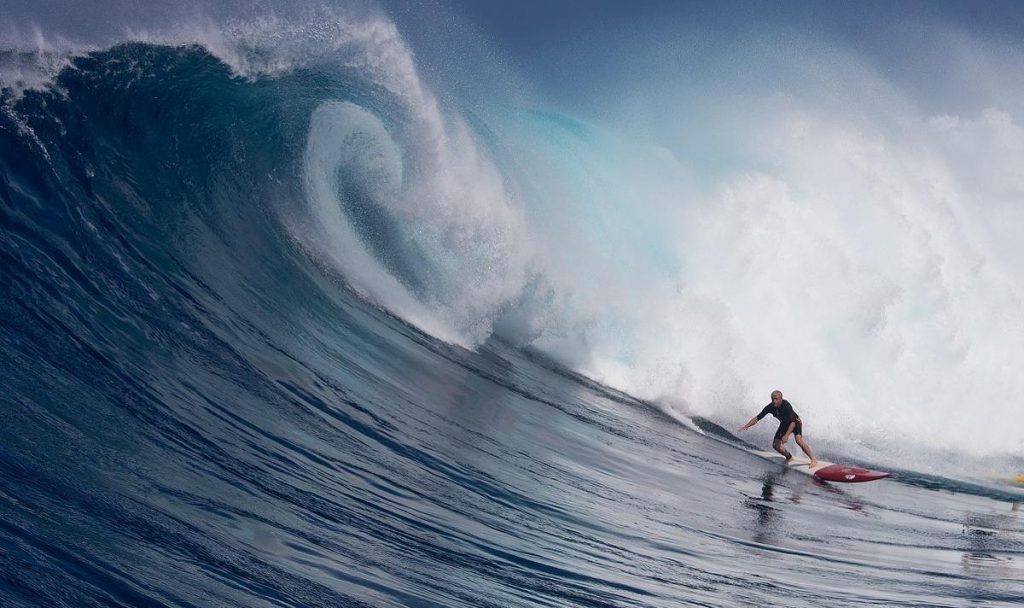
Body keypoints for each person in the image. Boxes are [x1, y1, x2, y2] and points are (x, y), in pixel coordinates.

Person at [738, 390, 818, 468]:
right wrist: (746, 426)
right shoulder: (770, 407)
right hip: (784, 424)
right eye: (772, 399)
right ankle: (789, 457)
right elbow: (758, 418)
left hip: (795, 422)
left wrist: (786, 435)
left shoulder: (786, 405)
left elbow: (792, 422)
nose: (774, 401)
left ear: (781, 399)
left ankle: (813, 460)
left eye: (776, 399)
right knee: (776, 445)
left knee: (798, 440)